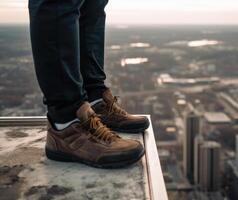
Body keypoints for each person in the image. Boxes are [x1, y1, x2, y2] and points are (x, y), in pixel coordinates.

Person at [28, 0, 149, 168]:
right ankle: (67, 122)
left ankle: (94, 99)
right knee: (57, 4)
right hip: (66, 118)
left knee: (93, 5)